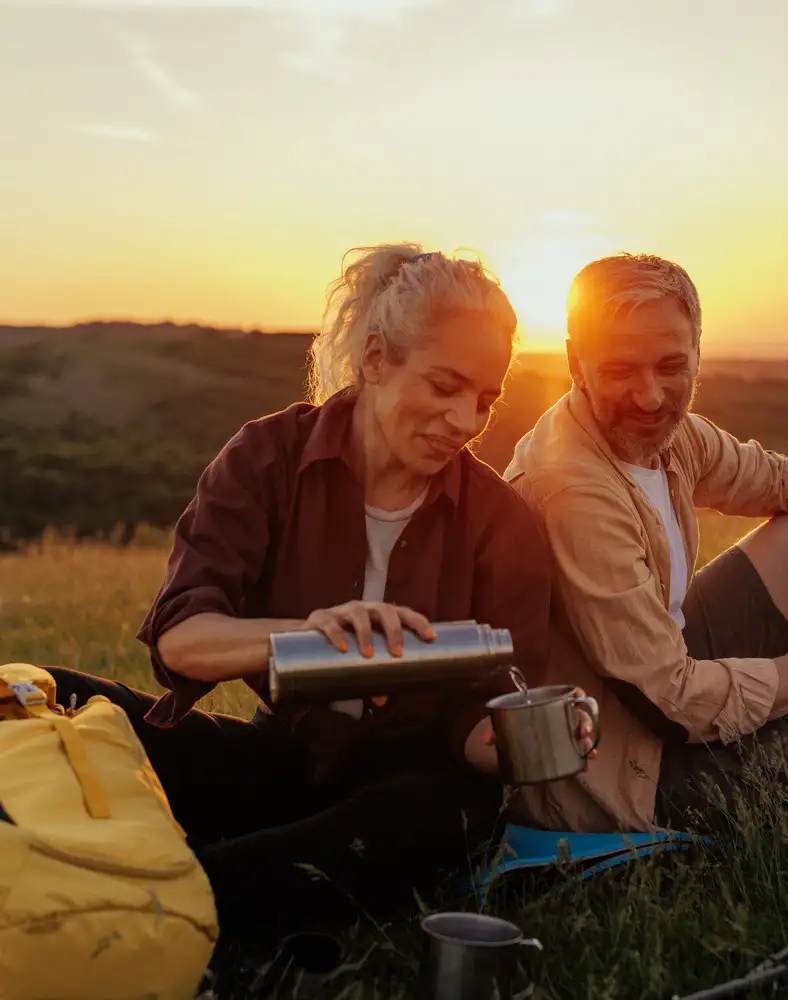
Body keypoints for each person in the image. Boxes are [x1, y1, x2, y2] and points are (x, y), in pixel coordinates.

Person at [42, 245, 574, 951]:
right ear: (377, 358)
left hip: (410, 791)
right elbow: (182, 637)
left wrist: (523, 742)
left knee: (433, 816)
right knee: (51, 697)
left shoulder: (498, 519)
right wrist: (309, 633)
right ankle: (233, 889)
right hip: (281, 758)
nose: (465, 419)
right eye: (445, 386)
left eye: (486, 399)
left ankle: (157, 912)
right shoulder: (268, 457)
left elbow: (489, 709)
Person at [504, 253, 788, 834]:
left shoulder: (669, 436)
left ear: (696, 356)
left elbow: (786, 481)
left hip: (654, 679)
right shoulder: (572, 492)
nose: (650, 396)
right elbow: (671, 700)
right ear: (574, 362)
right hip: (620, 768)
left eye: (671, 366)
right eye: (619, 370)